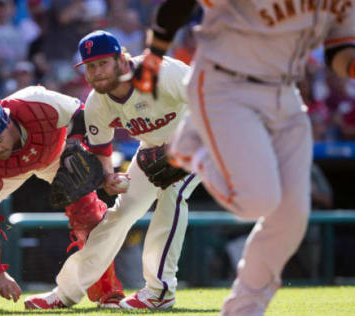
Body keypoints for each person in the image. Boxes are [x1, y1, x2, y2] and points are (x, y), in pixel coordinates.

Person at [132, 1, 355, 315]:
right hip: (226, 84)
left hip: (286, 93)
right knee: (256, 200)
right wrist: (154, 55)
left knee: (292, 216)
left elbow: (339, 52)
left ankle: (244, 309)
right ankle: (190, 147)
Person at [24, 30, 200, 310]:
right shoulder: (97, 103)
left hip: (197, 139)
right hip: (152, 147)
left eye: (102, 63)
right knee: (120, 215)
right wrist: (109, 177)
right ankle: (65, 293)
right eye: (90, 67)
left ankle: (160, 290)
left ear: (121, 58)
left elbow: (211, 104)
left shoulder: (163, 73)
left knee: (173, 194)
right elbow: (102, 151)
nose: (96, 72)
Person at [0, 86, 125, 311]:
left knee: (88, 212)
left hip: (56, 154)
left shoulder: (36, 102)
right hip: (8, 172)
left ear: (9, 123)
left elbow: (81, 113)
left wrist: (74, 143)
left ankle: (107, 291)